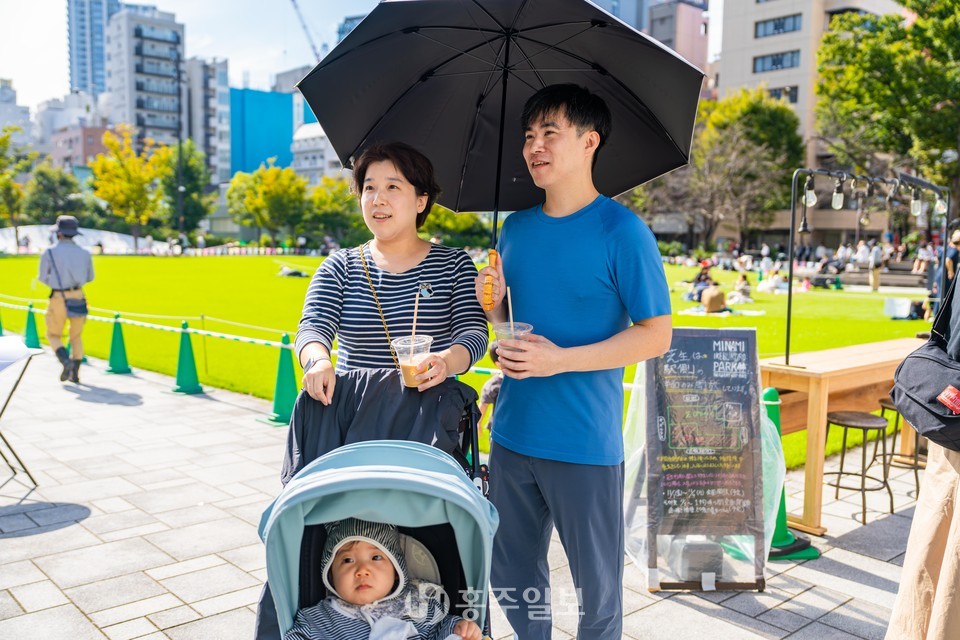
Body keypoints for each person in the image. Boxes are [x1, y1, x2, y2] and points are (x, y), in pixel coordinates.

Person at [475, 84, 672, 639]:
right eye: (529, 135)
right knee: (511, 572)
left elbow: (656, 335)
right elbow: (508, 327)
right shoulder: (514, 230)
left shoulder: (623, 232)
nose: (534, 146)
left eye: (549, 133)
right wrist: (492, 305)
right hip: (512, 434)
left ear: (590, 141)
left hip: (584, 442)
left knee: (598, 592)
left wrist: (561, 361)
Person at [297, 142, 488, 402]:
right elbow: (313, 328)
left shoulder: (454, 265)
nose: (378, 199)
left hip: (429, 418)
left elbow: (473, 333)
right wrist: (318, 361)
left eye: (392, 187)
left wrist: (445, 362)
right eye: (369, 188)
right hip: (353, 415)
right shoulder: (339, 267)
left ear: (421, 201)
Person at [283, 518, 481, 640]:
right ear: (330, 575)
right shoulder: (320, 619)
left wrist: (458, 628)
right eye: (347, 560)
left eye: (376, 557)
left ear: (396, 570)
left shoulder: (418, 605)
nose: (362, 570)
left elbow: (439, 630)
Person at [38, 215, 94, 384]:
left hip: (58, 296)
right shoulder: (85, 253)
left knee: (53, 334)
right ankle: (75, 373)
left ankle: (65, 361)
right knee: (76, 336)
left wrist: (55, 282)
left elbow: (42, 277)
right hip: (78, 295)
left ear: (59, 234)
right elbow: (90, 277)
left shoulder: (49, 252)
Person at [477, 341, 502, 454]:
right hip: (497, 428)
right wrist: (478, 423)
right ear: (499, 364)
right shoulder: (494, 385)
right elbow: (483, 405)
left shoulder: (523, 379)